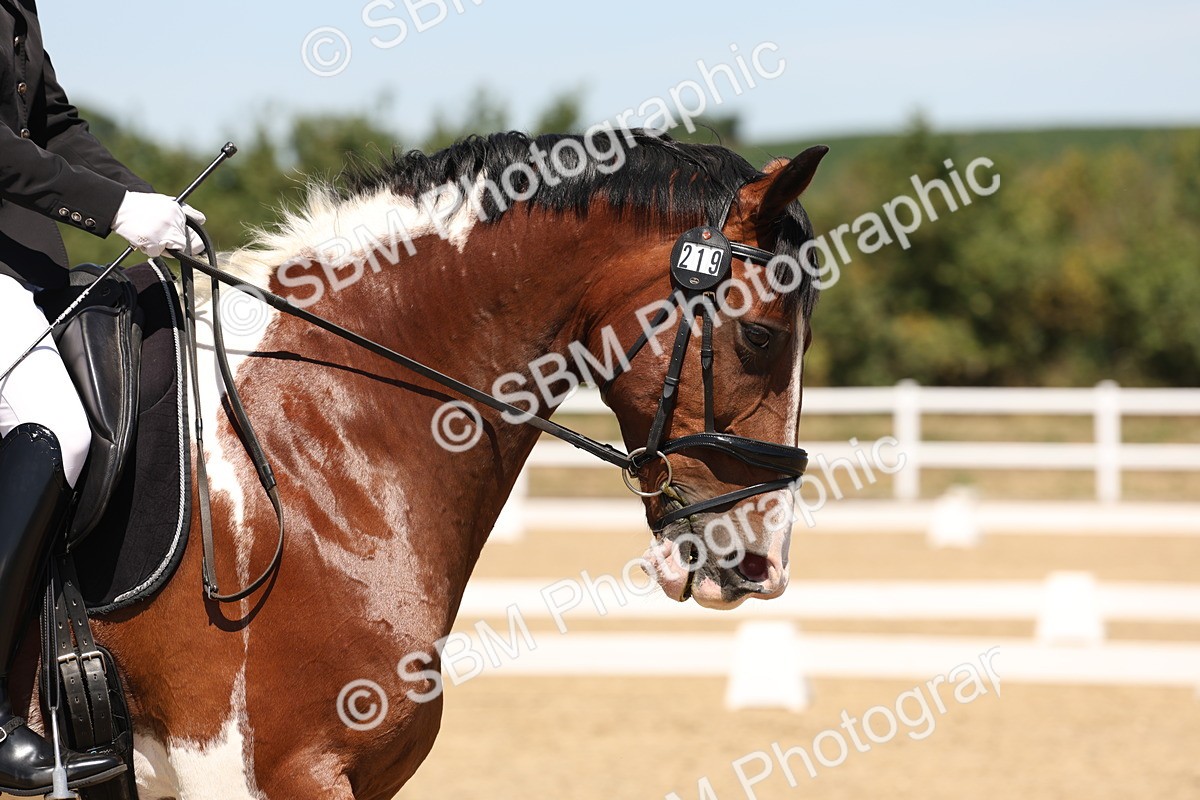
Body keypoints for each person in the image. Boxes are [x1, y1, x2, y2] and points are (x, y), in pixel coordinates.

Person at [0, 1, 204, 793]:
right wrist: (114, 210)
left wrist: (150, 204)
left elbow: (49, 122)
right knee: (57, 425)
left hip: (27, 264)